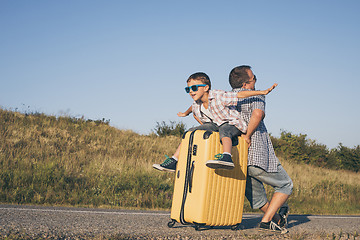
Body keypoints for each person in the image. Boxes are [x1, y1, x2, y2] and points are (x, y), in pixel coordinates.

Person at [152, 72, 277, 172]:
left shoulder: (218, 95)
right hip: (215, 124)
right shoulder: (196, 104)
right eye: (188, 89)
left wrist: (263, 92)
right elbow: (192, 110)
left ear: (206, 88)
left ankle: (227, 157)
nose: (191, 91)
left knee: (224, 128)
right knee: (190, 132)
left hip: (233, 123)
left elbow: (239, 95)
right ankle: (174, 161)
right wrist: (185, 114)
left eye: (194, 87)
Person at [229, 65, 293, 233]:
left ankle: (277, 219)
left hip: (238, 158)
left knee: (257, 197)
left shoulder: (227, 97)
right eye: (254, 78)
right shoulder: (256, 95)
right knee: (286, 184)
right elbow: (257, 114)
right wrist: (248, 135)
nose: (256, 81)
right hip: (256, 154)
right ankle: (266, 223)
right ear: (245, 84)